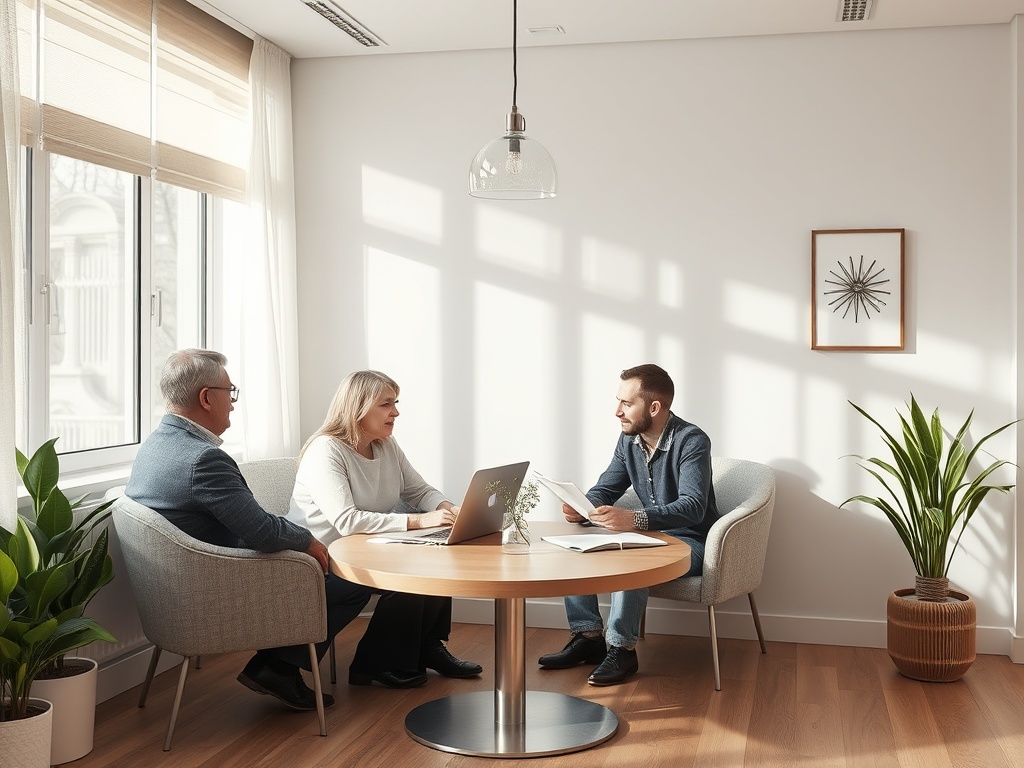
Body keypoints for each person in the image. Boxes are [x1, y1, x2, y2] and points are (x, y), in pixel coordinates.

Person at [126, 349, 373, 711]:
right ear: (207, 398)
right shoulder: (203, 459)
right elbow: (261, 531)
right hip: (215, 587)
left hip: (176, 586)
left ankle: (276, 665)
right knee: (351, 583)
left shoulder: (156, 445)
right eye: (230, 392)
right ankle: (276, 668)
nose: (233, 402)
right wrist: (308, 540)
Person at [286, 370, 483, 688]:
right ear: (358, 408)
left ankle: (426, 647)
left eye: (395, 402)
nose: (396, 412)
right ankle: (376, 664)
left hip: (364, 551)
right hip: (322, 559)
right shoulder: (327, 451)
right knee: (408, 575)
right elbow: (347, 521)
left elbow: (419, 491)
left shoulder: (386, 445)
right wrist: (419, 521)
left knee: (439, 557)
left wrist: (448, 510)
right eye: (386, 404)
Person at [537, 363, 720, 686]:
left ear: (654, 407)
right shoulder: (629, 441)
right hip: (649, 534)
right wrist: (583, 507)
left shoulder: (692, 441)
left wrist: (634, 519)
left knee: (633, 558)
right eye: (618, 401)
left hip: (688, 541)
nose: (617, 411)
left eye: (626, 403)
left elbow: (693, 507)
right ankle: (589, 637)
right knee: (574, 540)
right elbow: (607, 487)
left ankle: (623, 649)